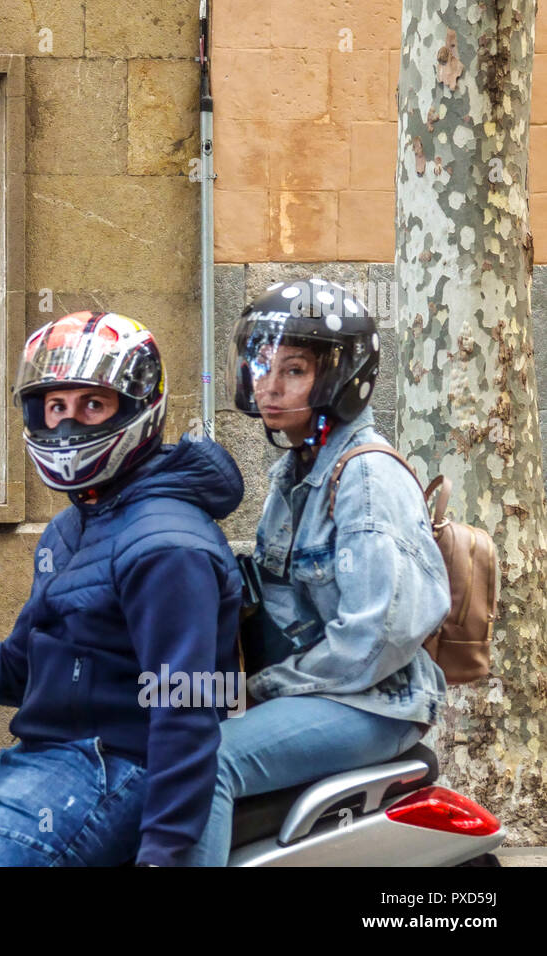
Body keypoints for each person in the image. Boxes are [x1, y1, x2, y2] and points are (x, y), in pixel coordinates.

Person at [0, 311, 245, 867]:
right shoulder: (72, 527)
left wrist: (163, 853)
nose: (69, 426)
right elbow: (21, 672)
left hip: (111, 767)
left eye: (93, 405)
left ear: (138, 408)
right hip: (40, 758)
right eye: (56, 407)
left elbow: (184, 708)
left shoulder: (167, 545)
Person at [181, 277, 450, 866]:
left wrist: (267, 688)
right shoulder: (297, 470)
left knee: (206, 763)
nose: (270, 386)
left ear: (340, 378)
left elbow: (377, 635)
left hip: (373, 702)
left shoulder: (366, 480)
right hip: (324, 690)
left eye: (294, 370)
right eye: (261, 366)